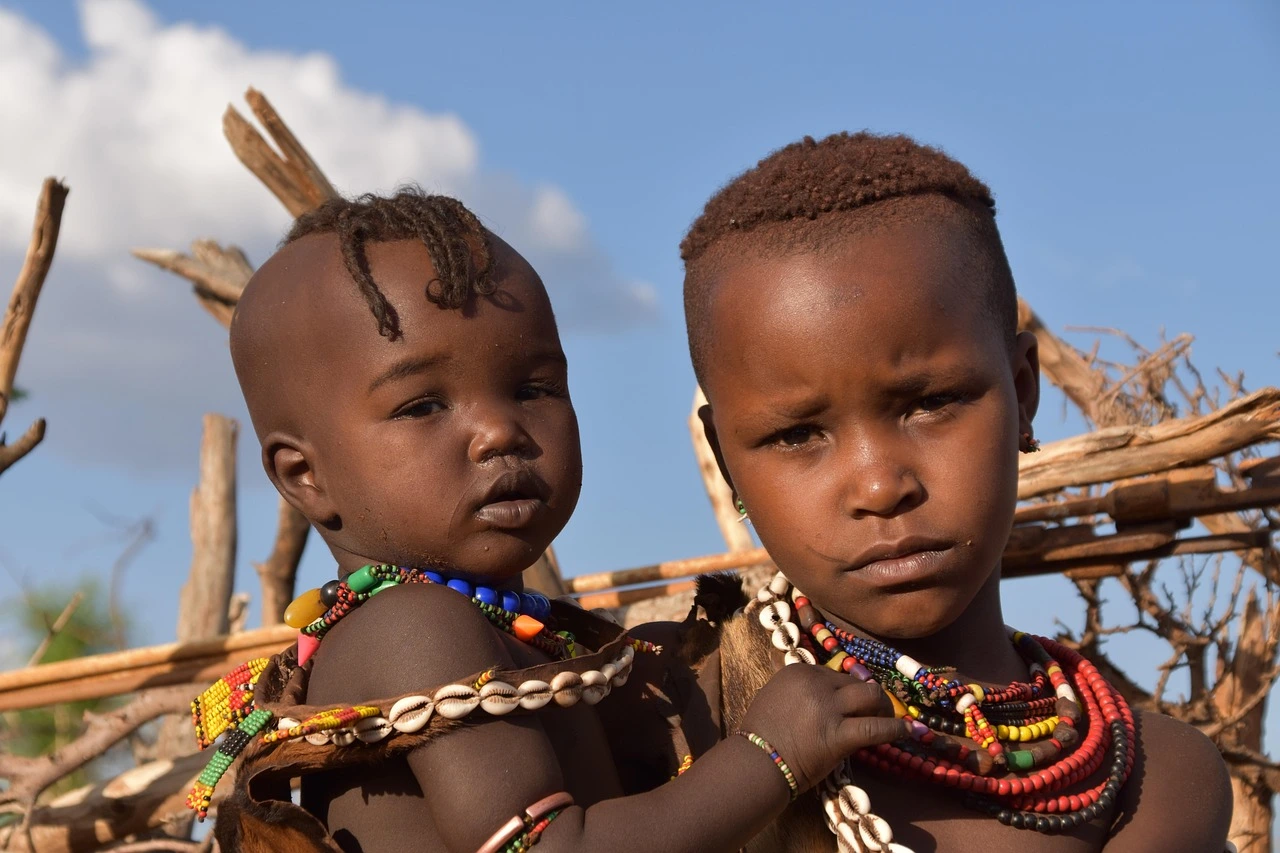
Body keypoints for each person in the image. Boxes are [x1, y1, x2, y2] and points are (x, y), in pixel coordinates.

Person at [190, 187, 909, 853]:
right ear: (304, 477)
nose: (499, 431)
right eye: (422, 406)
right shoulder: (412, 625)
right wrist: (770, 756)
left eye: (534, 387)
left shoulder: (506, 630)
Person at [680, 132, 1233, 852]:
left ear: (1024, 393)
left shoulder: (1158, 782)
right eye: (797, 436)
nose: (881, 486)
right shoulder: (683, 721)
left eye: (930, 402)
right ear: (727, 462)